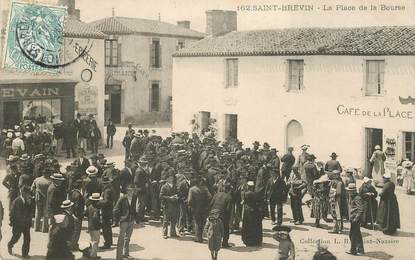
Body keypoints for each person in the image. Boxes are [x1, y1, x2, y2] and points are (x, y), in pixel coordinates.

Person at [8, 186, 33, 258]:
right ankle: (10, 244)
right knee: (16, 237)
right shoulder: (17, 201)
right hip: (18, 224)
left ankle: (25, 254)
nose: (28, 194)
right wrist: (12, 222)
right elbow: (12, 213)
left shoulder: (29, 200)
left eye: (29, 193)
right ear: (22, 192)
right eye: (27, 193)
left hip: (26, 224)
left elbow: (31, 211)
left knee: (27, 239)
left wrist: (29, 204)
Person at [113, 185, 137, 260]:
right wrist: (119, 219)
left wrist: (135, 218)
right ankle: (119, 257)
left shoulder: (134, 198)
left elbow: (133, 209)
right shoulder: (122, 199)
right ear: (126, 191)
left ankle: (126, 254)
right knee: (121, 239)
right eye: (129, 191)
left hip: (131, 220)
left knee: (128, 238)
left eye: (132, 191)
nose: (131, 192)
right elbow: (115, 210)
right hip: (124, 221)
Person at [188, 176, 212, 243]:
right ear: (200, 182)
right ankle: (200, 236)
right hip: (204, 208)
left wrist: (191, 206)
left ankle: (198, 237)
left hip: (195, 208)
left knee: (196, 222)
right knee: (202, 222)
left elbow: (189, 200)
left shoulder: (192, 189)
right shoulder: (205, 188)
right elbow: (210, 197)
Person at [209, 182, 232, 248]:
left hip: (214, 213)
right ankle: (225, 243)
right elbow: (228, 209)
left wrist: (210, 214)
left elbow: (211, 204)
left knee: (213, 228)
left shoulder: (216, 194)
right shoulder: (229, 197)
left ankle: (213, 242)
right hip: (222, 215)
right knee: (225, 229)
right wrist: (228, 219)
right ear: (229, 190)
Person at [241, 181, 263, 247]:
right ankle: (255, 240)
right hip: (254, 211)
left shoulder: (245, 194)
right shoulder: (256, 194)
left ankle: (247, 240)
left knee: (247, 225)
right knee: (254, 226)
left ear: (248, 186)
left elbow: (243, 202)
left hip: (247, 211)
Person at [345, 183, 364, 256]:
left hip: (356, 219)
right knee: (357, 234)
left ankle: (353, 250)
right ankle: (360, 249)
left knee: (353, 235)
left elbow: (361, 209)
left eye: (350, 191)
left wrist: (356, 218)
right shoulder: (352, 196)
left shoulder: (357, 198)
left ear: (353, 191)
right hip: (353, 218)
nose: (348, 192)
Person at [31, 167, 52, 233]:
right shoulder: (50, 181)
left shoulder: (37, 179)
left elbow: (32, 189)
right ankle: (44, 229)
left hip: (38, 198)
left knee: (37, 213)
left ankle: (36, 228)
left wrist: (35, 194)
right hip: (46, 198)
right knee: (46, 214)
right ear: (48, 173)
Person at [159, 173, 179, 239]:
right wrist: (169, 198)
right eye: (170, 178)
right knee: (166, 220)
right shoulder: (164, 186)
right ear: (167, 179)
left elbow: (178, 193)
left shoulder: (175, 186)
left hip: (175, 205)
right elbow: (161, 196)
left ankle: (173, 233)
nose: (171, 179)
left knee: (174, 220)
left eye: (172, 178)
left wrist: (177, 196)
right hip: (167, 205)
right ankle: (165, 233)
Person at [69, 178, 85, 251]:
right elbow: (77, 206)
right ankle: (73, 245)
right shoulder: (79, 195)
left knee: (73, 230)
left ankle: (72, 244)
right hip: (77, 215)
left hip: (72, 214)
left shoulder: (72, 192)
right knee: (77, 231)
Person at [99, 176, 114, 249]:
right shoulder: (109, 189)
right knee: (108, 227)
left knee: (106, 228)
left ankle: (107, 243)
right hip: (108, 211)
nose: (103, 184)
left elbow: (107, 201)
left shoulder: (107, 190)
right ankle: (109, 241)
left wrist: (99, 201)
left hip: (106, 211)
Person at [88, 193, 103, 259]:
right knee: (96, 241)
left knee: (92, 240)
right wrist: (100, 225)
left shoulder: (89, 206)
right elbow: (95, 218)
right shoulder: (96, 209)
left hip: (90, 225)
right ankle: (93, 255)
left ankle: (94, 254)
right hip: (95, 226)